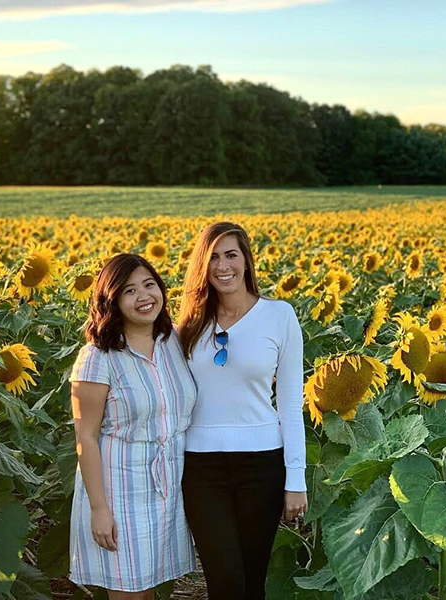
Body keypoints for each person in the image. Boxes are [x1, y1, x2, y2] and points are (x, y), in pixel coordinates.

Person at [177, 222, 308, 600]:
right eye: (213, 257)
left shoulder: (280, 316)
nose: (222, 266)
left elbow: (289, 404)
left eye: (231, 255)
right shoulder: (188, 325)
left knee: (253, 583)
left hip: (262, 466)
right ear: (202, 266)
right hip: (202, 470)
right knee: (225, 582)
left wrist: (295, 479)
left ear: (246, 261)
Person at [68, 253, 197, 599]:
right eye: (129, 291)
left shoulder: (174, 341)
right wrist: (99, 509)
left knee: (149, 586)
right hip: (119, 490)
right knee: (126, 589)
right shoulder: (97, 356)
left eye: (149, 285)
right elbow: (86, 435)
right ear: (111, 301)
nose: (144, 297)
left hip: (166, 487)